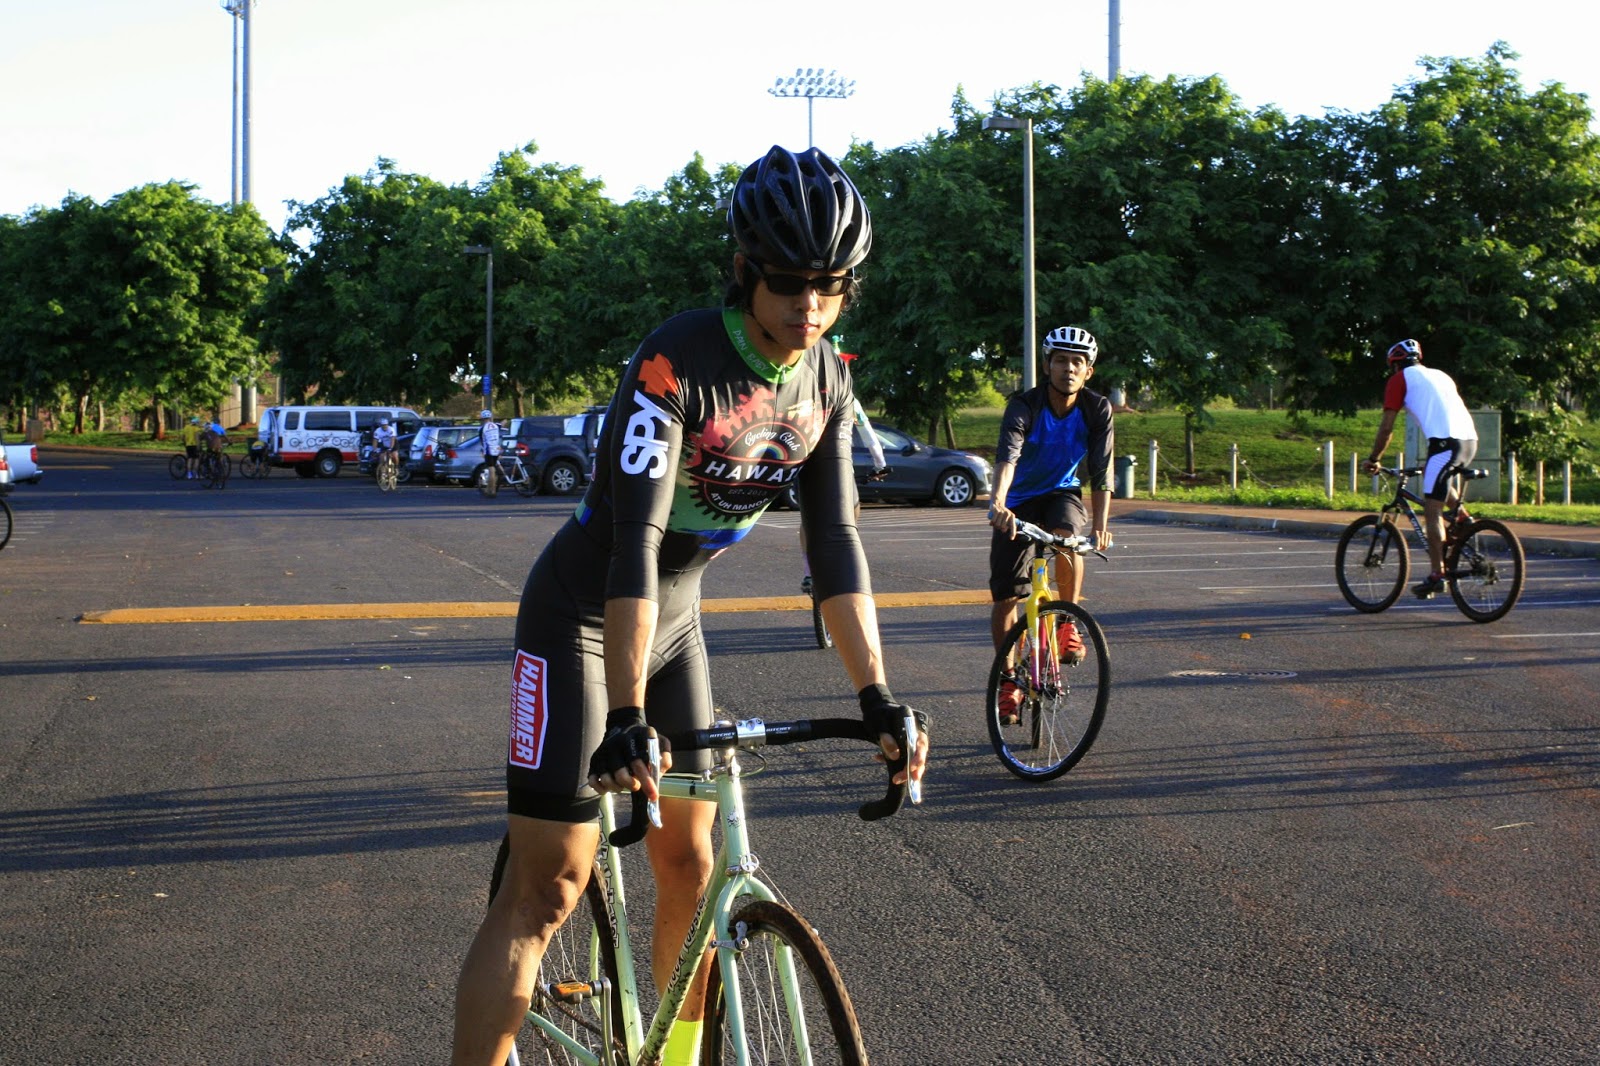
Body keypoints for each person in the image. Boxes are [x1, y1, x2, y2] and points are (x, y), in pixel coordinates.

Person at [451, 145, 929, 1066]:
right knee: (550, 887)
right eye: (790, 281)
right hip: (581, 617)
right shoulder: (678, 361)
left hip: (675, 625)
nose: (811, 304)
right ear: (746, 271)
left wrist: (877, 696)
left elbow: (834, 544)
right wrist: (625, 714)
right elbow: (633, 543)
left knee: (692, 864)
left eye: (832, 284)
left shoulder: (827, 379)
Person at [986, 326, 1114, 724]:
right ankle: (1008, 680)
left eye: (1077, 362)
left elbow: (1101, 469)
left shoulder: (1096, 408)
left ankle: (1066, 622)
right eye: (1060, 360)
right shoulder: (1025, 405)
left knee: (1069, 539)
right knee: (1007, 596)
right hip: (1018, 501)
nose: (1068, 368)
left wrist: (1101, 527)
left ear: (1088, 371)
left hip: (1062, 493)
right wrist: (998, 503)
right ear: (1047, 366)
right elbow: (1008, 457)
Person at [1364, 337, 1478, 598]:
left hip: (1444, 444)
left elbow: (1387, 427)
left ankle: (1437, 574)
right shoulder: (1441, 375)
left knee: (1432, 510)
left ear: (1395, 364)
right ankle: (1461, 517)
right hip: (1469, 441)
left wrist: (1374, 458)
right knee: (1432, 472)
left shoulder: (1399, 379)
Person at [800, 347, 888, 596]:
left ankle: (808, 572)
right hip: (837, 463)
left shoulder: (804, 395)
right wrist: (880, 464)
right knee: (850, 516)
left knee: (807, 520)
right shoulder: (849, 400)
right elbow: (869, 437)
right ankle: (844, 572)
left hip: (803, 463)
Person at [478, 409, 502, 496]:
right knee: (494, 469)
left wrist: (483, 451)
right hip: (496, 450)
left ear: (482, 419)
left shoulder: (482, 429)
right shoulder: (496, 426)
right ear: (490, 417)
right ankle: (489, 489)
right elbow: (502, 424)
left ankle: (492, 491)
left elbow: (482, 442)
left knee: (491, 470)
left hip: (489, 451)